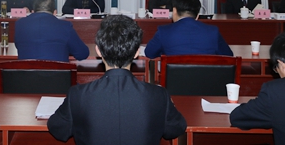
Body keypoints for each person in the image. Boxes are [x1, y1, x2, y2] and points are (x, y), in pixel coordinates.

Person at [48, 15, 187, 145]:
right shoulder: (159, 95)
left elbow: (58, 129)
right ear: (137, 52)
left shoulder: (77, 95)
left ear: (98, 51)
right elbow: (176, 128)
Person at [145, 0, 233, 58]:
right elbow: (228, 56)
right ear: (197, 15)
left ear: (174, 11)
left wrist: (164, 53)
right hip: (206, 77)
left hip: (174, 77)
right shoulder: (213, 31)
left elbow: (149, 53)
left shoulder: (163, 31)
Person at [15, 0, 89, 61]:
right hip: (57, 71)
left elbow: (19, 47)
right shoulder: (65, 26)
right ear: (55, 12)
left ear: (32, 12)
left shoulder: (20, 25)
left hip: (26, 71)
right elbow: (82, 54)